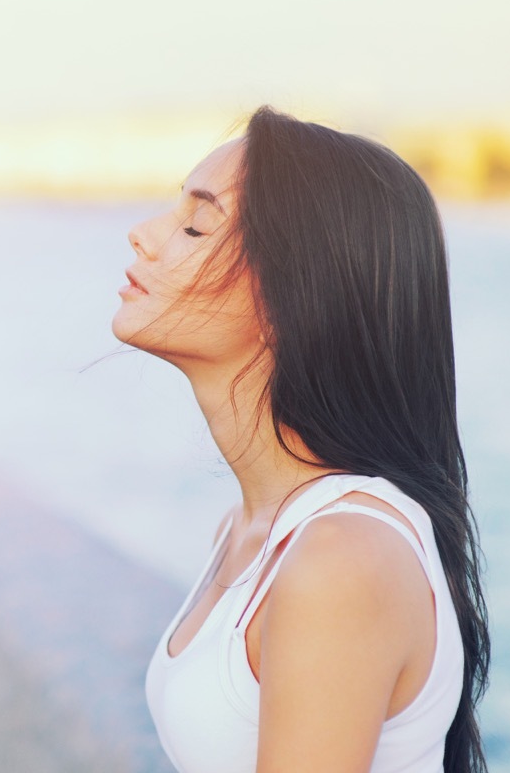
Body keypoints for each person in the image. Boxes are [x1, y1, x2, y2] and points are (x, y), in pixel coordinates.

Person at [117, 106, 490, 772]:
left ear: (296, 293)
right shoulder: (250, 530)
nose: (143, 236)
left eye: (196, 225)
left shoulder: (342, 556)